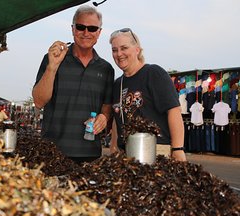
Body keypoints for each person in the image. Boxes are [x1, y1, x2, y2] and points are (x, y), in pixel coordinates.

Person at [32, 5, 114, 163]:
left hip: (91, 155)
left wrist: (104, 117)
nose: (86, 33)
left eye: (92, 28)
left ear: (99, 32)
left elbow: (107, 107)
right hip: (52, 152)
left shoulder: (106, 69)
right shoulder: (52, 58)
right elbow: (39, 101)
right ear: (73, 29)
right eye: (81, 27)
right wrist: (52, 66)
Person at [108, 28, 186, 161]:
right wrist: (113, 146)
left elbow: (173, 110)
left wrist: (178, 149)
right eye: (114, 50)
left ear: (137, 50)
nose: (119, 54)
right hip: (127, 154)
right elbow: (118, 117)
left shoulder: (153, 73)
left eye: (124, 48)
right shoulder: (117, 84)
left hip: (157, 152)